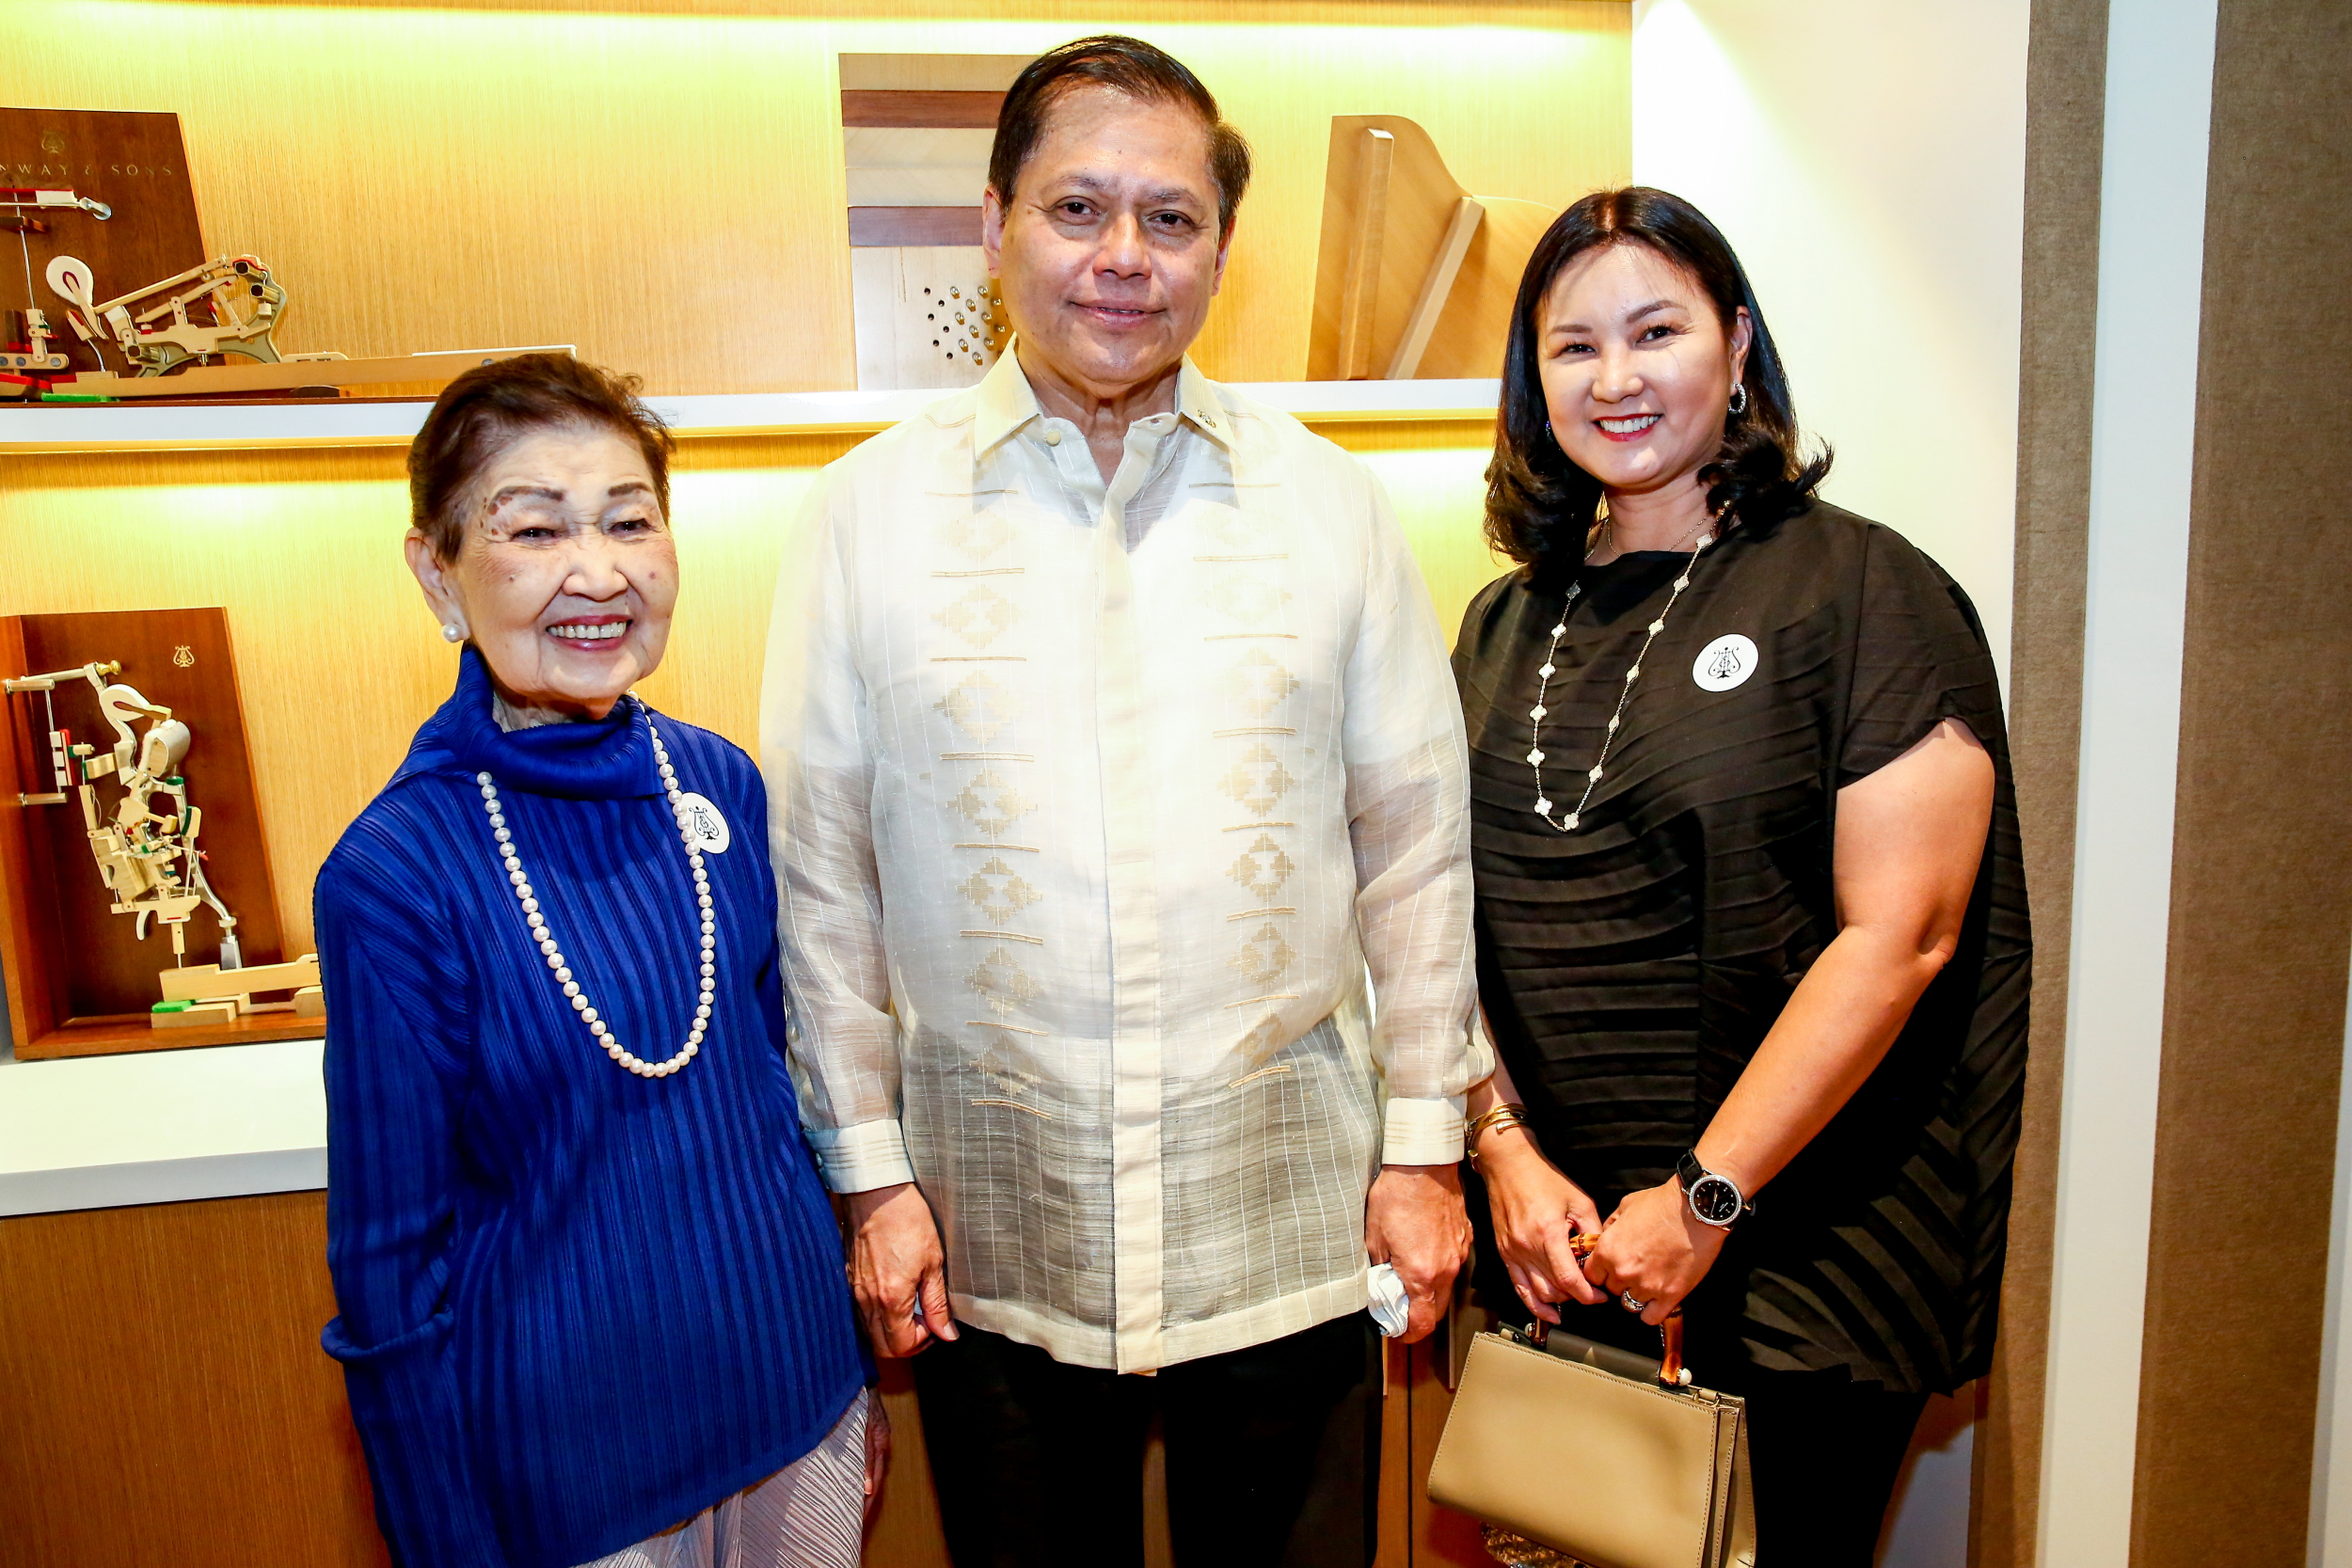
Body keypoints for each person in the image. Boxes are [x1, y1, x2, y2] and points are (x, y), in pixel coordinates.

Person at [760, 35, 1486, 1568]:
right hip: (992, 1223)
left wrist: (1425, 1151)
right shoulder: (862, 518)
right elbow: (822, 879)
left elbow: (1416, 856)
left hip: (1285, 1217)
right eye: (1077, 209)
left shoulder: (1332, 506)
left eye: (1170, 219)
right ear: (995, 224)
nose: (1123, 258)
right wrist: (871, 1177)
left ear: (1220, 247)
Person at [1452, 188, 2028, 1565]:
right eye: (1574, 345)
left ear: (1739, 343)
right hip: (1562, 1242)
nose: (1617, 377)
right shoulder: (1501, 620)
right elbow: (1429, 913)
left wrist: (1704, 1199)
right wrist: (1501, 1146)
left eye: (1657, 331)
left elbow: (1904, 936)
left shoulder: (1863, 590)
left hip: (1798, 1245)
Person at [318, 354, 876, 1568]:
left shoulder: (720, 780)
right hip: (579, 1479)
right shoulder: (397, 870)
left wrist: (849, 1386)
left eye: (630, 521)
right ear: (438, 572)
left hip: (801, 1410)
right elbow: (387, 1271)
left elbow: (773, 1100)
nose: (599, 571)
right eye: (534, 529)